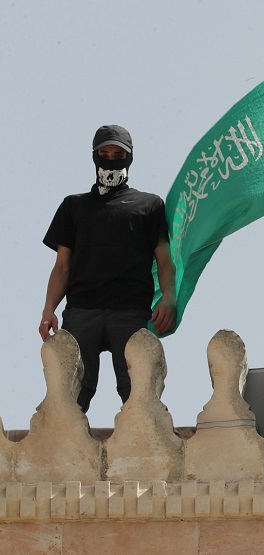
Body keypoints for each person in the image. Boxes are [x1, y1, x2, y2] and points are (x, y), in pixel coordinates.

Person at [40, 124, 177, 412]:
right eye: (104, 153)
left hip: (130, 311)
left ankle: (145, 450)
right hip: (82, 311)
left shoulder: (149, 206)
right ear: (94, 156)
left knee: (139, 394)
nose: (111, 159)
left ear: (129, 158)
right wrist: (48, 309)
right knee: (69, 394)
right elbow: (62, 267)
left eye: (118, 154)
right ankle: (64, 451)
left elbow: (165, 260)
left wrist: (168, 297)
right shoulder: (74, 207)